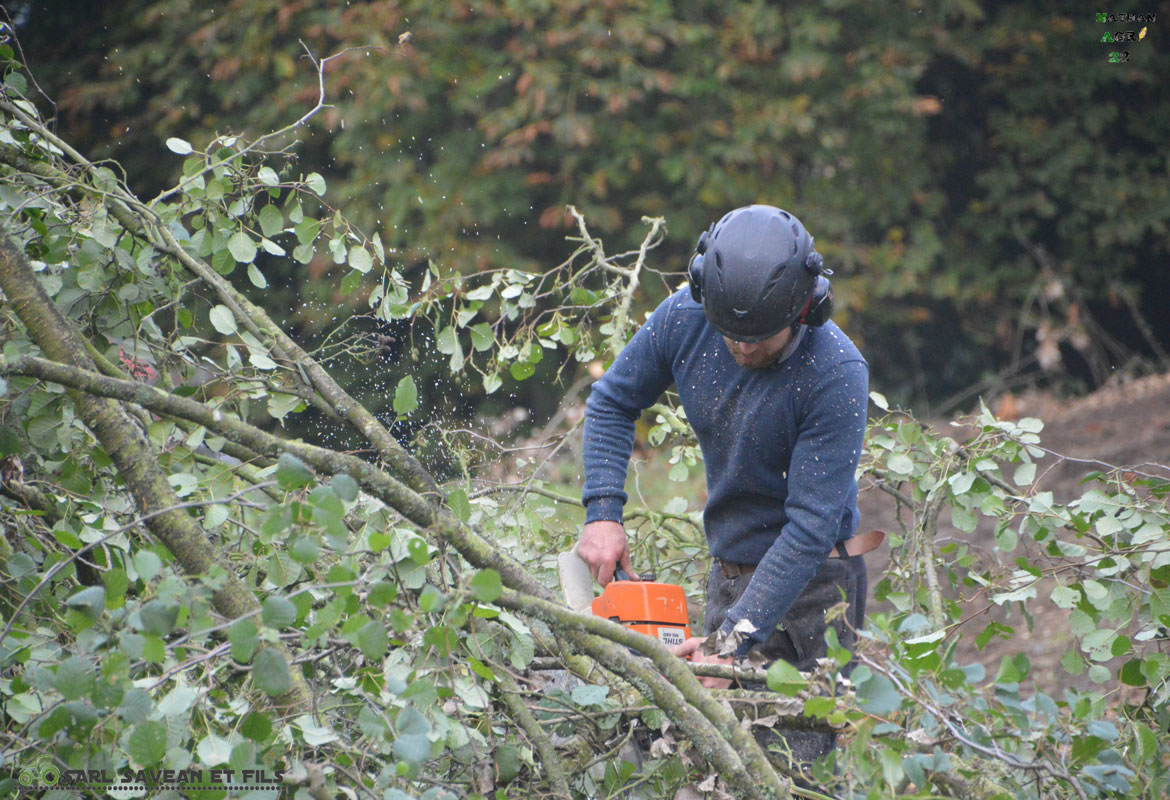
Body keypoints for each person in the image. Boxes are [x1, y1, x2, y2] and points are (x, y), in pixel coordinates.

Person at [578, 204, 875, 766]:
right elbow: (612, 400)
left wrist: (730, 644)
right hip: (731, 573)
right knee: (708, 757)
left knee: (788, 770)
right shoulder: (685, 318)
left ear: (806, 308)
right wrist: (602, 511)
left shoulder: (835, 371)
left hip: (815, 587)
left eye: (758, 336)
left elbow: (810, 529)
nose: (741, 348)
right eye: (730, 333)